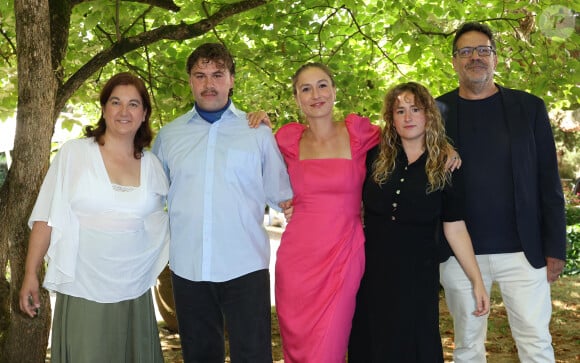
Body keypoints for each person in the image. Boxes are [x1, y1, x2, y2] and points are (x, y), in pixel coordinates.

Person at [152, 43, 293, 363]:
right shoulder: (169, 136)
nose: (208, 83)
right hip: (189, 268)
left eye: (217, 74)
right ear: (189, 81)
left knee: (253, 355)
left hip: (245, 266)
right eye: (200, 75)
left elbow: (284, 197)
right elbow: (150, 199)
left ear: (231, 79)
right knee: (200, 355)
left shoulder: (256, 133)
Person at [437, 22, 567, 362]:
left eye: (483, 50)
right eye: (465, 52)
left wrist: (555, 248)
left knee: (536, 342)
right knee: (466, 346)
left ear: (495, 58)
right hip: (460, 254)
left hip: (523, 253)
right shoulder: (435, 113)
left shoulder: (529, 108)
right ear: (454, 62)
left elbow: (548, 182)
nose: (474, 57)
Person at [19, 72, 169, 362]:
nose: (124, 112)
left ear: (144, 114)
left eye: (133, 104)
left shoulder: (152, 165)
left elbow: (165, 222)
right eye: (116, 102)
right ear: (103, 108)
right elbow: (47, 218)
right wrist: (29, 274)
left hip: (133, 291)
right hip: (83, 285)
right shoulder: (75, 154)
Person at [348, 82, 489, 362]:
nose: (408, 117)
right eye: (400, 111)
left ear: (429, 115)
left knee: (413, 347)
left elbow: (455, 226)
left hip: (417, 277)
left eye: (415, 109)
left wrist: (477, 280)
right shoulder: (374, 157)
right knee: (370, 343)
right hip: (371, 273)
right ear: (391, 118)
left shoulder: (446, 165)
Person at [272, 62, 380, 363]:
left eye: (322, 85)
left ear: (334, 91)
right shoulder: (287, 139)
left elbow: (408, 136)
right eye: (305, 89)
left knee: (328, 348)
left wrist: (444, 149)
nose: (315, 94)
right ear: (296, 98)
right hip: (296, 261)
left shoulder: (358, 133)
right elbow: (252, 164)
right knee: (298, 350)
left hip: (343, 254)